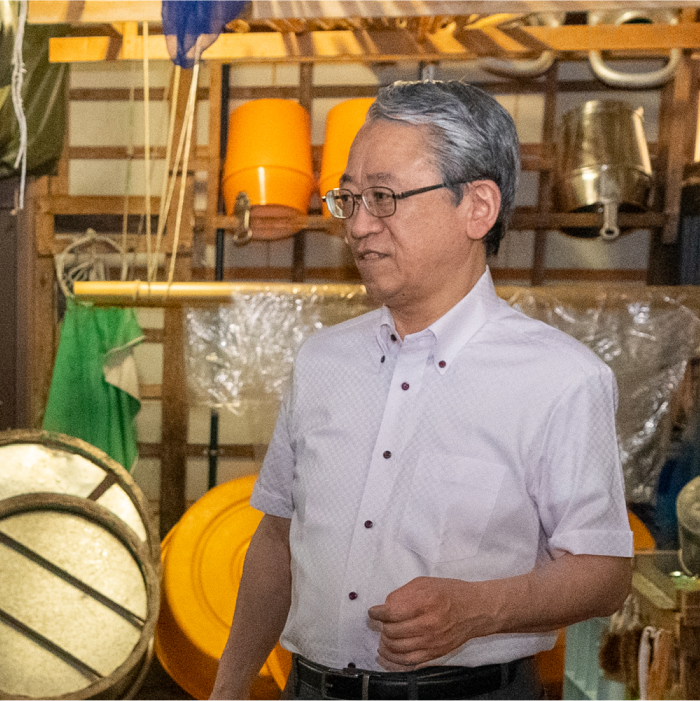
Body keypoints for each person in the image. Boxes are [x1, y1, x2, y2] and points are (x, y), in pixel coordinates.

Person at [210, 80, 633, 701]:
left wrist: (480, 609)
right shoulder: (322, 362)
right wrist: (226, 689)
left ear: (477, 208)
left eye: (384, 198)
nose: (358, 226)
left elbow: (604, 572)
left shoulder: (562, 378)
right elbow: (276, 539)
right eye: (349, 198)